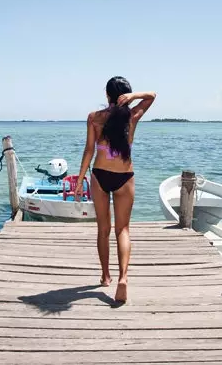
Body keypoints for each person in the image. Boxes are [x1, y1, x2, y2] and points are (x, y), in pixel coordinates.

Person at [75, 76, 156, 303]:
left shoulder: (94, 118)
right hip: (124, 176)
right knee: (123, 230)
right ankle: (123, 278)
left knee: (103, 229)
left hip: (100, 176)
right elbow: (152, 96)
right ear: (125, 95)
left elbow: (89, 150)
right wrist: (134, 97)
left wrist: (80, 180)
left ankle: (105, 276)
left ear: (107, 95)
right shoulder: (132, 116)